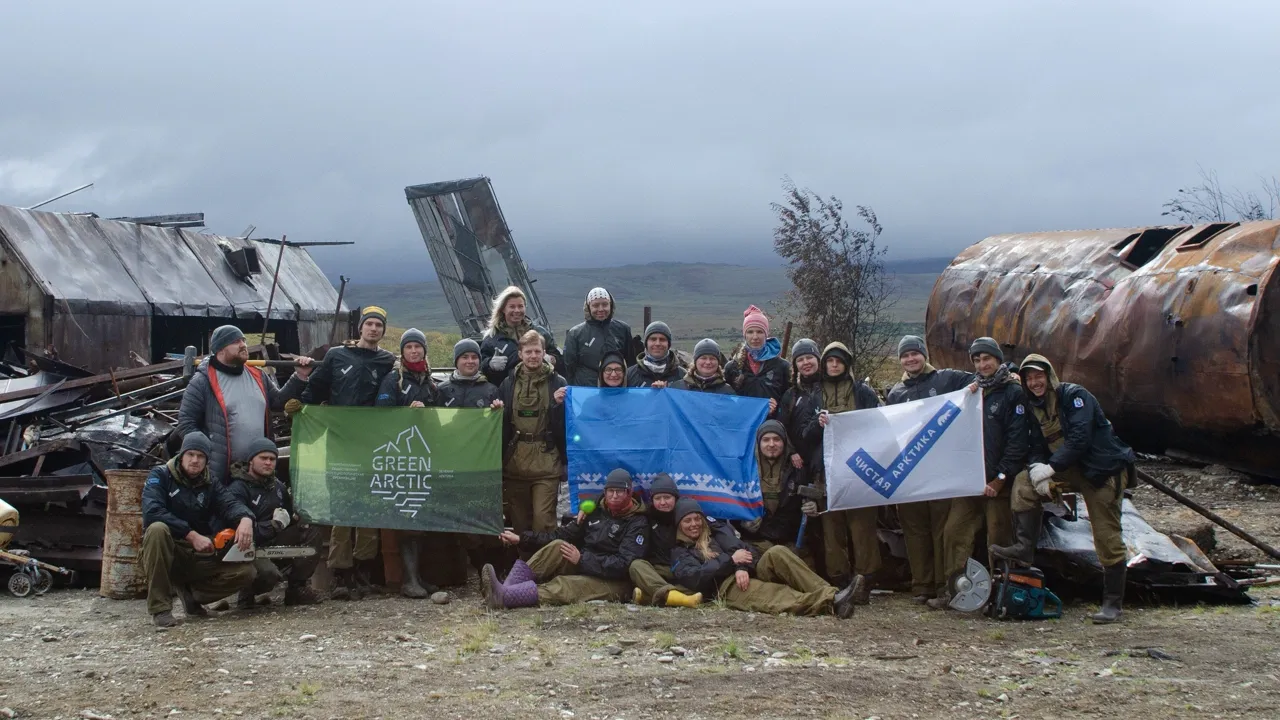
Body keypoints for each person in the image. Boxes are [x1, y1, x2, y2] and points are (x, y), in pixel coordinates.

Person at [991, 354, 1135, 624]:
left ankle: (1112, 603)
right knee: (1023, 483)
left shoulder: (1074, 396)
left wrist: (1051, 468)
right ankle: (1024, 547)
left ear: (1049, 376)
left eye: (1039, 376)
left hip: (1100, 470)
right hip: (1067, 469)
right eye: (1029, 378)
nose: (1035, 383)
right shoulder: (1033, 406)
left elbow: (1081, 438)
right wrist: (1036, 468)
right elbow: (1034, 443)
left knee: (1106, 534)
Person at [296, 305, 396, 600]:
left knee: (368, 504)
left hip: (371, 444)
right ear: (360, 328)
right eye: (370, 324)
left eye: (379, 325)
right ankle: (341, 573)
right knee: (341, 504)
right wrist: (302, 402)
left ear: (383, 331)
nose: (374, 329)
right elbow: (313, 393)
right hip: (339, 442)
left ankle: (364, 571)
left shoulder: (387, 361)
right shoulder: (336, 356)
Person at [933, 337, 1026, 609]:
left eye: (987, 359)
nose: (983, 365)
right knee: (953, 533)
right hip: (969, 482)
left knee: (998, 538)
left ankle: (1001, 595)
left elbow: (1017, 441)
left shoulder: (1013, 392)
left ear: (998, 359)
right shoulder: (971, 390)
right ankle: (955, 592)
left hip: (998, 483)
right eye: (977, 360)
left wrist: (1000, 479)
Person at [886, 335, 975, 603]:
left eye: (915, 353)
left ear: (924, 355)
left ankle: (940, 584)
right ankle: (921, 585)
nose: (910, 359)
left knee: (940, 528)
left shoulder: (946, 379)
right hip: (909, 471)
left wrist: (1010, 376)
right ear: (900, 360)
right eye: (905, 355)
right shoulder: (895, 393)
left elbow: (980, 378)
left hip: (940, 469)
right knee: (914, 530)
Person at [482, 469, 649, 609]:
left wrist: (582, 559)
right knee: (558, 545)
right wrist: (521, 539)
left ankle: (505, 597)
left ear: (629, 492)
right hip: (586, 564)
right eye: (610, 491)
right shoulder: (596, 510)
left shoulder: (638, 523)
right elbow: (561, 535)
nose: (613, 496)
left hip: (615, 581)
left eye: (619, 492)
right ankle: (505, 588)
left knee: (566, 585)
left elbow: (623, 564)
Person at [140, 432, 257, 627]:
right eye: (191, 454)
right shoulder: (160, 475)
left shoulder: (210, 482)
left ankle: (192, 596)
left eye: (200, 456)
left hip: (198, 554)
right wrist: (191, 534)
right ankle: (160, 609)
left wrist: (245, 518)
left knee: (247, 572)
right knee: (157, 529)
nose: (195, 460)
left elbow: (229, 504)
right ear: (182, 454)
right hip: (167, 550)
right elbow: (152, 511)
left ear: (206, 460)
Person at [670, 498, 861, 618]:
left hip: (747, 570)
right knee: (775, 594)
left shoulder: (715, 534)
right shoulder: (679, 551)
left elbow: (746, 550)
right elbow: (695, 578)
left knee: (777, 553)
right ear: (679, 525)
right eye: (687, 521)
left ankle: (833, 595)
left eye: (697, 519)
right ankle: (829, 603)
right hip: (726, 587)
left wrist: (741, 567)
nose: (694, 524)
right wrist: (731, 562)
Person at [177, 325, 311, 486]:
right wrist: (206, 452)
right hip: (221, 471)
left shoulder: (258, 375)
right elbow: (186, 423)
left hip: (256, 470)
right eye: (235, 341)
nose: (243, 345)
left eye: (243, 340)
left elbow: (277, 402)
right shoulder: (203, 381)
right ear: (220, 350)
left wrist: (300, 376)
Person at [807, 342, 883, 601]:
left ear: (847, 364)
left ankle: (865, 581)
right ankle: (839, 581)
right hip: (827, 472)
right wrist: (817, 426)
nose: (834, 365)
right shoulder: (815, 394)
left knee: (862, 527)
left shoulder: (863, 392)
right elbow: (805, 436)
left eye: (839, 360)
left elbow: (879, 425)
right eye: (830, 360)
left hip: (859, 470)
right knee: (832, 528)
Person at [224, 438, 323, 607]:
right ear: (251, 460)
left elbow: (289, 517)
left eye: (272, 459)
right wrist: (273, 525)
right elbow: (238, 532)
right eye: (263, 458)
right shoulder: (237, 489)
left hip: (274, 540)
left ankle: (297, 587)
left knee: (311, 528)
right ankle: (247, 591)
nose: (268, 463)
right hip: (248, 547)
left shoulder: (278, 487)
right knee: (269, 576)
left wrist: (296, 517)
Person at [499, 329, 568, 535]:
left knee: (543, 521)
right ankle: (523, 567)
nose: (533, 356)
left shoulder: (558, 383)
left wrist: (558, 405)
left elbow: (567, 424)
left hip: (547, 462)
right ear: (520, 354)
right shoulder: (508, 383)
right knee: (519, 524)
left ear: (544, 352)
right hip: (515, 463)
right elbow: (501, 423)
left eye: (537, 351)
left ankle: (544, 566)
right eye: (528, 352)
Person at [734, 420, 809, 558]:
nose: (771, 444)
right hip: (754, 542)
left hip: (790, 543)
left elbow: (806, 505)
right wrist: (743, 524)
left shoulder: (797, 470)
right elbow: (731, 507)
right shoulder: (745, 472)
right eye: (766, 440)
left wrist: (813, 507)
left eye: (776, 439)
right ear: (758, 443)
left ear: (784, 442)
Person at [627, 473, 703, 607]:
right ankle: (676, 597)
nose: (663, 502)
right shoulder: (646, 516)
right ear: (652, 500)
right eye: (658, 498)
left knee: (702, 585)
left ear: (675, 498)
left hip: (683, 568)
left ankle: (648, 597)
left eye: (667, 497)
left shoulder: (686, 515)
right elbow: (623, 501)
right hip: (656, 570)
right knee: (636, 566)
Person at [480, 286, 561, 385]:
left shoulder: (540, 333)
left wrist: (552, 359)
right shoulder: (492, 338)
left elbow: (560, 361)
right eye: (512, 307)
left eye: (520, 306)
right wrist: (489, 364)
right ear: (503, 309)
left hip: (541, 389)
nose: (517, 310)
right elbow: (479, 367)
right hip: (508, 393)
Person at [724, 305, 790, 413]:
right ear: (745, 335)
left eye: (760, 332)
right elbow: (726, 400)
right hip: (742, 424)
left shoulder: (782, 366)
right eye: (750, 332)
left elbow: (789, 401)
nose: (755, 337)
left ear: (766, 334)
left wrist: (777, 408)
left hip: (771, 427)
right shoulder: (732, 367)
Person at [563, 287, 634, 387]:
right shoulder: (575, 334)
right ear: (588, 307)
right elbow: (569, 368)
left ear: (611, 305)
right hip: (586, 390)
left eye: (605, 304)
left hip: (616, 389)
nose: (601, 309)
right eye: (595, 305)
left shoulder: (622, 329)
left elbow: (630, 363)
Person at [375, 328, 438, 409]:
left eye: (417, 346)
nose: (413, 351)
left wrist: (425, 413)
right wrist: (408, 414)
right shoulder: (392, 380)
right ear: (402, 352)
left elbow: (435, 418)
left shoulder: (430, 382)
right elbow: (382, 414)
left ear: (424, 350)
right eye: (408, 347)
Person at [437, 338, 505, 409]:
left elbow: (499, 418)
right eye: (465, 357)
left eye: (474, 357)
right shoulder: (441, 390)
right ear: (456, 361)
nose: (470, 361)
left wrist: (498, 410)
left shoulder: (491, 391)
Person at [626, 321, 684, 388]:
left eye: (662, 339)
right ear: (646, 343)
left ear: (669, 344)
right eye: (653, 339)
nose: (657, 343)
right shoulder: (629, 375)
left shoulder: (682, 375)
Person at [671, 339, 735, 394]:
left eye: (712, 358)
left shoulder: (727, 391)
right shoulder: (677, 388)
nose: (708, 362)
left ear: (718, 363)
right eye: (703, 358)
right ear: (695, 361)